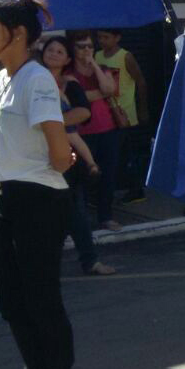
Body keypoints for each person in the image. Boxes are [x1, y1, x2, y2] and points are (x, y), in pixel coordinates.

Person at [0, 0, 79, 369]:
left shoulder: (36, 78)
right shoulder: (6, 78)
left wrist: (60, 160)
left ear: (19, 35)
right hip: (7, 198)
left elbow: (58, 147)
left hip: (36, 199)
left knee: (40, 299)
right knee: (12, 301)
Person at [39, 37, 117, 278]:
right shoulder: (33, 80)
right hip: (37, 158)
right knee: (42, 215)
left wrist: (49, 123)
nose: (53, 54)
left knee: (76, 212)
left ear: (67, 59)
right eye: (50, 49)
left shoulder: (70, 85)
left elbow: (83, 112)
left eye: (59, 51)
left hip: (65, 157)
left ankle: (90, 261)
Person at [66, 31, 119, 230]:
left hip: (107, 129)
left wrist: (94, 65)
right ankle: (82, 220)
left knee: (108, 174)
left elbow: (109, 88)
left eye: (89, 46)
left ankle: (105, 216)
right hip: (82, 133)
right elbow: (79, 98)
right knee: (83, 176)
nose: (86, 50)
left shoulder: (102, 68)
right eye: (81, 46)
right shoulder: (68, 73)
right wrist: (100, 93)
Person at [94, 28, 149, 205]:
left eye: (106, 37)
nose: (102, 41)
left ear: (117, 38)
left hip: (125, 112)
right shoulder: (97, 56)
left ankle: (136, 189)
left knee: (127, 153)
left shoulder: (126, 56)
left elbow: (140, 81)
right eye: (100, 37)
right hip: (105, 111)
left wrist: (142, 109)